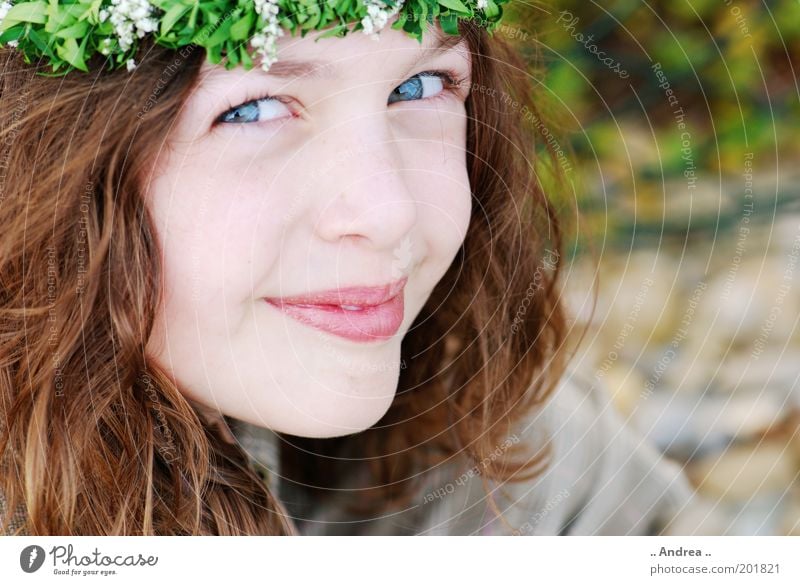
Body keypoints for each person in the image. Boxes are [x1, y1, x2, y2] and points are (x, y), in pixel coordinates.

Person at [0, 0, 699, 535]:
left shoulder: (493, 442)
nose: (389, 211)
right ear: (37, 160)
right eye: (253, 109)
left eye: (421, 87)